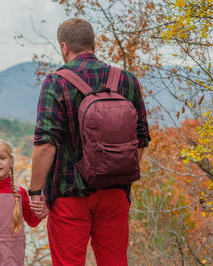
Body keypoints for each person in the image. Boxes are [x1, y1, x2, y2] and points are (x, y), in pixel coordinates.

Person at [29, 18, 151, 266]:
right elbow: (140, 140)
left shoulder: (57, 82)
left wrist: (35, 192)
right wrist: (116, 173)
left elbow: (45, 144)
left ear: (64, 47)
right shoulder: (128, 81)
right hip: (115, 193)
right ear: (93, 44)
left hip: (68, 194)